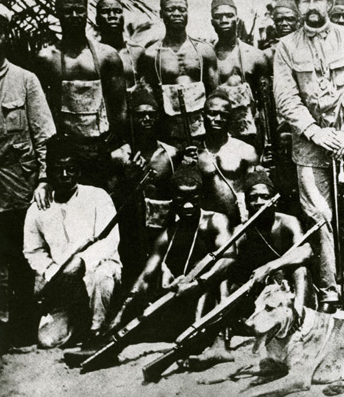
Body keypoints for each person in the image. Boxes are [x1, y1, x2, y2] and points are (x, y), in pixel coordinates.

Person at [274, 0, 344, 311]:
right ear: (298, 6)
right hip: (310, 147)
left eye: (319, 0)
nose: (313, 7)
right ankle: (329, 291)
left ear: (330, 4)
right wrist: (315, 132)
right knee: (320, 216)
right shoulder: (286, 47)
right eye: (306, 2)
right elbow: (286, 98)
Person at [23, 135, 122, 348]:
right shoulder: (37, 208)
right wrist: (52, 271)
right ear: (49, 172)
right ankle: (77, 323)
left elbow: (110, 241)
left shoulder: (98, 197)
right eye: (58, 170)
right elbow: (33, 251)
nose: (65, 175)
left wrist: (82, 263)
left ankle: (97, 329)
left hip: (96, 274)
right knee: (47, 340)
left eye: (71, 169)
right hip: (61, 283)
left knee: (103, 274)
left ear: (79, 170)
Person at [0, 4, 57, 350]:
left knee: (22, 261)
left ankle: (20, 329)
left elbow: (45, 135)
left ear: (6, 36)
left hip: (21, 188)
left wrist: (46, 179)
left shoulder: (25, 80)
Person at [36, 0, 127, 189]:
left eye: (80, 10)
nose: (75, 16)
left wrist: (111, 146)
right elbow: (43, 111)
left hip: (100, 149)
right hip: (67, 154)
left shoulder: (107, 56)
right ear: (57, 12)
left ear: (87, 12)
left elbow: (119, 108)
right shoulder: (47, 59)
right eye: (68, 11)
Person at [129, 165, 235, 339]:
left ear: (201, 197)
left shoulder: (216, 221)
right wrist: (126, 308)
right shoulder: (167, 234)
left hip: (208, 295)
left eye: (193, 198)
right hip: (178, 298)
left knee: (217, 281)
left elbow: (229, 258)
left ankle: (218, 339)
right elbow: (146, 278)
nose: (187, 205)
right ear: (172, 200)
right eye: (181, 199)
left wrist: (198, 284)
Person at [110, 82, 180, 284]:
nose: (147, 119)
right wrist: (128, 179)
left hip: (161, 226)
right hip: (130, 229)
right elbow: (111, 197)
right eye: (140, 115)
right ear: (131, 118)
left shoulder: (171, 154)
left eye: (151, 114)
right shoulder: (120, 156)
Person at [138, 0, 219, 149]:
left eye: (182, 9)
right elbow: (150, 101)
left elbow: (214, 95)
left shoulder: (204, 51)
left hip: (203, 134)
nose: (177, 13)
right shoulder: (151, 54)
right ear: (161, 14)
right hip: (168, 136)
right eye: (171, 9)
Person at [226, 170, 314, 314]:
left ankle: (298, 316)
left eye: (265, 197)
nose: (259, 202)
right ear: (247, 203)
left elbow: (306, 251)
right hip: (257, 287)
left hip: (286, 284)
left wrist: (269, 267)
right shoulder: (240, 231)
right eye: (253, 198)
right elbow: (230, 266)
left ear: (275, 200)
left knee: (301, 271)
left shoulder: (288, 222)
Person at [211, 0, 271, 152]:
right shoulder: (206, 57)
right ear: (212, 22)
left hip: (249, 134)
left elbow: (266, 105)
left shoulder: (255, 57)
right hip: (217, 133)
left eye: (229, 16)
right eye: (218, 16)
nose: (224, 20)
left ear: (237, 20)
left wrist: (267, 144)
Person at [188, 91, 259, 225]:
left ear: (230, 119)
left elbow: (257, 190)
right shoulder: (193, 154)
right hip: (208, 227)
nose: (218, 119)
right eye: (213, 113)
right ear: (203, 116)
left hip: (240, 224)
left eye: (224, 115)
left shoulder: (245, 150)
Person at [95, 0, 144, 90]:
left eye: (117, 11)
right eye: (105, 11)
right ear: (97, 20)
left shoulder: (137, 52)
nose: (112, 16)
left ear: (123, 17)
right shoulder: (93, 54)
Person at [263, 0, 301, 66]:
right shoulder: (269, 55)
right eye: (279, 20)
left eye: (289, 19)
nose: (284, 23)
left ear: (298, 21)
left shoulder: (309, 49)